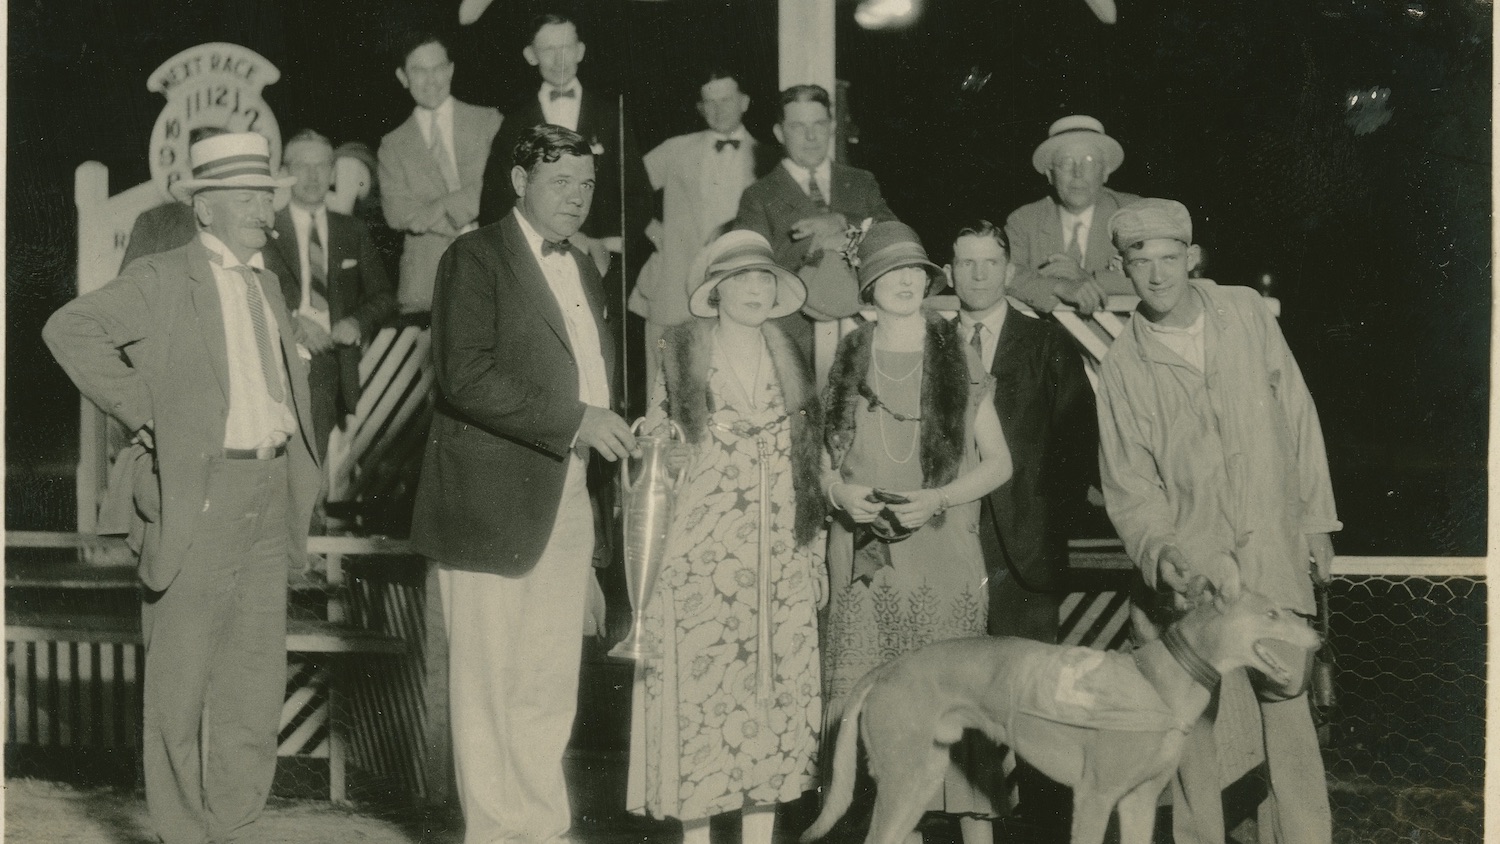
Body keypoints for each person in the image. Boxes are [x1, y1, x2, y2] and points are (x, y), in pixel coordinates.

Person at [44, 131, 321, 844]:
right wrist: (150, 414)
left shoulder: (266, 281)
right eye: (249, 198)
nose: (265, 210)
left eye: (267, 196)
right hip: (201, 497)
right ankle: (182, 835)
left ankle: (235, 826)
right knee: (179, 688)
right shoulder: (164, 277)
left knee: (254, 687)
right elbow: (69, 329)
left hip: (266, 494)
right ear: (205, 208)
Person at [409, 124, 636, 844]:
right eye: (559, 182)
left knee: (546, 682)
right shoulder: (473, 257)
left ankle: (540, 830)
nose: (575, 198)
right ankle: (492, 834)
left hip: (568, 494)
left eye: (586, 184)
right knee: (486, 686)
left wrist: (617, 428)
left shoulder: (588, 266)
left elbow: (592, 381)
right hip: (489, 503)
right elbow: (465, 376)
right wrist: (578, 420)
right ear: (519, 181)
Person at [1095, 198, 1338, 844]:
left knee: (1288, 709)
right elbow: (1131, 484)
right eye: (1139, 262)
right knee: (1193, 732)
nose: (1156, 275)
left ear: (1191, 259)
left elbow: (1299, 415)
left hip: (1272, 555)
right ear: (1122, 269)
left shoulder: (1246, 313)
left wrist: (1316, 520)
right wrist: (1160, 553)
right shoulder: (1124, 367)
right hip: (1195, 578)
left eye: (1169, 259)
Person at [626, 230, 825, 844]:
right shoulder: (683, 351)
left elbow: (810, 461)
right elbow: (660, 443)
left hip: (778, 553)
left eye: (764, 279)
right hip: (700, 555)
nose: (755, 290)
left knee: (770, 701)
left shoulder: (791, 353)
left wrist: (812, 550)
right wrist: (653, 437)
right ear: (716, 292)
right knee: (703, 697)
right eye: (741, 280)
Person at [822, 221, 1012, 844]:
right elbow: (823, 458)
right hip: (868, 560)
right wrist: (838, 492)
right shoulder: (847, 355)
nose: (904, 282)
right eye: (888, 272)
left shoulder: (958, 352)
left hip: (943, 553)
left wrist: (937, 497)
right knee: (877, 709)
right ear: (866, 287)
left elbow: (998, 463)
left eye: (915, 272)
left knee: (958, 704)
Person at [946, 220, 1098, 835]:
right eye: (966, 263)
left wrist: (1043, 524)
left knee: (1037, 705)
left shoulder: (1045, 344)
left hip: (1026, 558)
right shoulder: (931, 342)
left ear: (1011, 272)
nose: (978, 274)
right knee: (962, 697)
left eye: (990, 263)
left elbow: (1076, 443)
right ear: (949, 271)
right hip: (950, 547)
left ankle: (1046, 833)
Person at [477, 12, 652, 277]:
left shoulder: (610, 116)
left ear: (580, 51)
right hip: (536, 263)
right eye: (548, 49)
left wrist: (609, 240)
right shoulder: (514, 124)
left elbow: (639, 195)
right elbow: (495, 204)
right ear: (530, 55)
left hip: (604, 263)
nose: (559, 60)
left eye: (566, 48)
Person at [733, 84, 897, 360]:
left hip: (864, 336)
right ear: (779, 133)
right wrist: (815, 253)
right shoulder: (758, 197)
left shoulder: (861, 182)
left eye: (819, 124)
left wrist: (843, 222)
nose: (811, 136)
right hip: (794, 343)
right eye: (798, 126)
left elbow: (893, 238)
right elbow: (752, 276)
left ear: (831, 126)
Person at [632, 67, 771, 383]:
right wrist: (655, 232)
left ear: (745, 102)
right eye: (710, 102)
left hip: (736, 290)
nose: (718, 108)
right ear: (700, 108)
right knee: (666, 384)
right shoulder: (675, 149)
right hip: (675, 289)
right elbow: (626, 190)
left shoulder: (767, 157)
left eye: (727, 99)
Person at [264, 129, 395, 460]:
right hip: (280, 355)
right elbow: (255, 294)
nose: (311, 175)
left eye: (322, 165)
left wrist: (355, 322)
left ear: (334, 173)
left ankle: (315, 504)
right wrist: (294, 324)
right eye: (301, 165)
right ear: (284, 172)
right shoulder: (266, 230)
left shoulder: (352, 231)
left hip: (335, 360)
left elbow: (383, 296)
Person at [378, 32, 502, 313]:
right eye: (419, 71)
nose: (430, 80)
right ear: (402, 76)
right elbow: (397, 213)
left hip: (494, 267)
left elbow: (497, 188)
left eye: (437, 69)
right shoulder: (392, 144)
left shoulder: (488, 122)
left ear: (451, 69)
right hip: (426, 284)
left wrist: (439, 207)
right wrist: (469, 206)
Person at [1004, 115, 1140, 315]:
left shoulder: (1134, 213)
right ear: (1050, 175)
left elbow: (1158, 279)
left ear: (1105, 172)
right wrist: (1057, 286)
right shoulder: (1024, 221)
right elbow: (1003, 274)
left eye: (1089, 161)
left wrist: (1087, 278)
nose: (1078, 173)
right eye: (1066, 162)